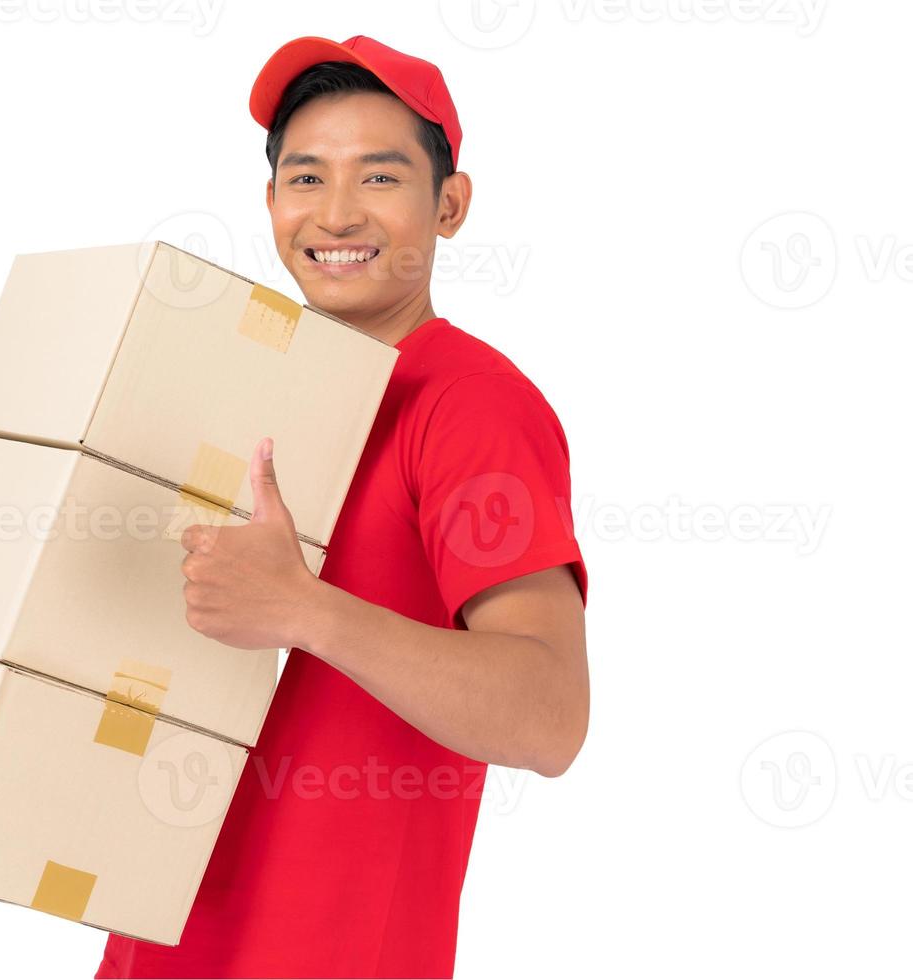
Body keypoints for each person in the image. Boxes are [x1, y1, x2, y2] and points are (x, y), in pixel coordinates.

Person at [97, 36, 590, 978]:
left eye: (379, 178)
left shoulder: (471, 406)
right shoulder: (247, 388)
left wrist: (308, 610)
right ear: (272, 202)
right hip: (158, 937)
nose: (335, 214)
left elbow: (550, 716)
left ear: (449, 205)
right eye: (305, 177)